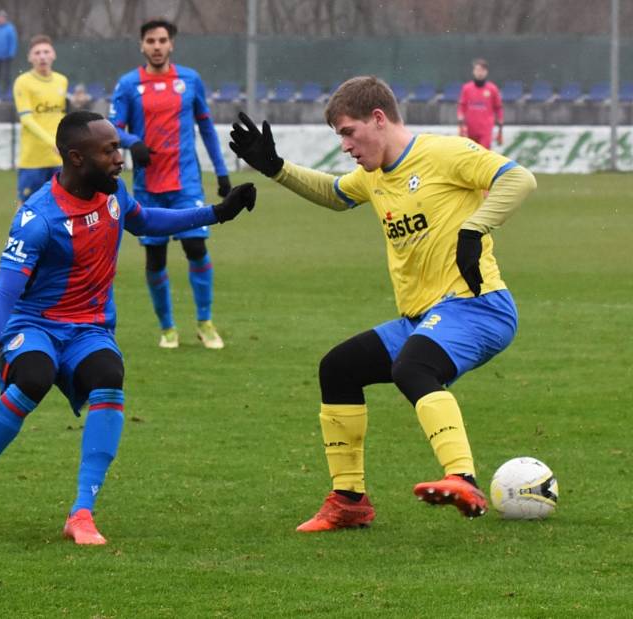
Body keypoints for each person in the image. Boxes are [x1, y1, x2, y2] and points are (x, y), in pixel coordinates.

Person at [0, 111, 256, 545]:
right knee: (33, 377)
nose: (121, 158)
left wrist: (216, 213)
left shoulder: (114, 192)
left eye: (119, 147)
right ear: (77, 158)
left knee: (109, 378)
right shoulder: (37, 219)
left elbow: (144, 221)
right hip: (35, 324)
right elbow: (2, 301)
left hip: (90, 329)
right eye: (110, 151)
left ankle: (82, 513)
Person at [229, 76, 536, 531]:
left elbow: (518, 179)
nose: (346, 146)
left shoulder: (443, 153)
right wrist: (276, 168)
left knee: (412, 368)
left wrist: (475, 229)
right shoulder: (374, 177)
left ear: (378, 118)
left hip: (479, 305)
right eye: (340, 137)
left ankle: (462, 477)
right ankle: (349, 501)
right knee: (339, 368)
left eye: (349, 132)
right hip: (424, 318)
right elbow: (335, 194)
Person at [109, 18, 231, 350]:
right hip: (148, 187)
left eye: (163, 40)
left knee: (196, 248)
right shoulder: (128, 84)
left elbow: (206, 128)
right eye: (151, 41)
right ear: (142, 45)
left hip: (186, 183)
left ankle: (205, 322)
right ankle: (167, 328)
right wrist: (132, 141)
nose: (157, 46)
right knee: (156, 258)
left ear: (172, 44)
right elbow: (111, 128)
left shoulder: (190, 80)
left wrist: (221, 173)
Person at [13, 34, 67, 205]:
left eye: (46, 51)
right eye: (37, 53)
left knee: (63, 206)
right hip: (33, 160)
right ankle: (17, 234)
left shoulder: (61, 81)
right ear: (30, 58)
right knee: (27, 208)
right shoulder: (23, 82)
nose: (42, 56)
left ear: (54, 55)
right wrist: (53, 142)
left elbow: (61, 116)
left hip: (59, 159)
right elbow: (27, 120)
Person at [457, 58, 504, 149]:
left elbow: (498, 107)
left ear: (486, 72)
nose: (479, 73)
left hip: (485, 129)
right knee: (470, 155)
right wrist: (460, 116)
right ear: (473, 71)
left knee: (483, 154)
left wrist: (500, 120)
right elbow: (462, 105)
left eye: (482, 70)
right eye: (477, 70)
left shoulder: (492, 89)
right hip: (470, 128)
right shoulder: (466, 88)